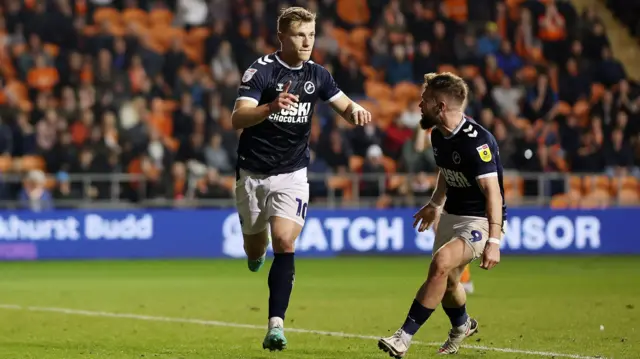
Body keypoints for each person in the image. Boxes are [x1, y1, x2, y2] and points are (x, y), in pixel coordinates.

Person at [231, 6, 372, 352]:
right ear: (282, 36)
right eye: (299, 34)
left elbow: (341, 102)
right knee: (255, 247)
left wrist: (355, 111)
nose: (307, 41)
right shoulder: (260, 71)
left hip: (292, 173)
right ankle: (255, 249)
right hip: (252, 173)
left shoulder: (318, 75)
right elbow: (238, 118)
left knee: (285, 241)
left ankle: (275, 326)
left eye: (311, 34)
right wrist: (270, 108)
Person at [377, 72, 507, 357]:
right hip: (450, 214)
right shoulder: (438, 135)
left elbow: (494, 193)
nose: (420, 107)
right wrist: (435, 204)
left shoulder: (476, 142)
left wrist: (494, 241)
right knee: (449, 282)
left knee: (440, 263)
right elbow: (447, 174)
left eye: (424, 101)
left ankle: (403, 337)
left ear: (441, 106)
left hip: (478, 219)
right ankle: (462, 324)